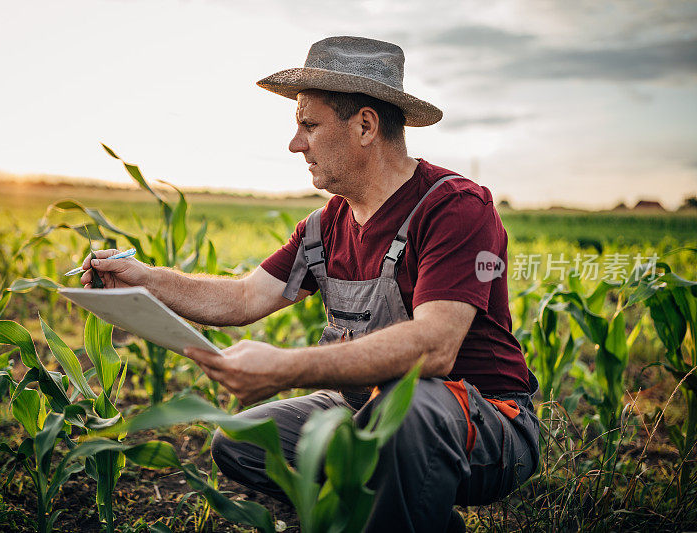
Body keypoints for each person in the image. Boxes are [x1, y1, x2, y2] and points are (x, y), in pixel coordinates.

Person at [81, 36, 540, 532]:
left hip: (486, 423)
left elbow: (435, 348)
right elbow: (243, 297)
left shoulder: (455, 206)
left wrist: (286, 367)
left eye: (309, 124)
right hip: (366, 411)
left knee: (410, 408)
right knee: (243, 441)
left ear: (365, 125)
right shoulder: (325, 227)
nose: (295, 143)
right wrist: (145, 280)